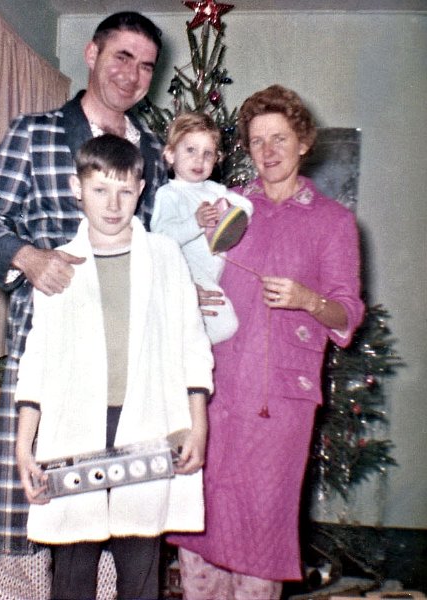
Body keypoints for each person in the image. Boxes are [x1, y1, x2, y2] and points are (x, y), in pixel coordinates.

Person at [0, 9, 168, 578]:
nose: (132, 74)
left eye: (146, 65)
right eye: (122, 56)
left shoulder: (152, 153)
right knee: (44, 512)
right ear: (92, 54)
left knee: (122, 520)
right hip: (51, 357)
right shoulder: (37, 132)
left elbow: (164, 250)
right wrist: (28, 258)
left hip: (129, 371)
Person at [168, 84, 366, 599]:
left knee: (261, 524)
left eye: (280, 138)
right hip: (212, 392)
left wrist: (307, 298)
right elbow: (171, 265)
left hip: (280, 404)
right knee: (203, 518)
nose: (269, 152)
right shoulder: (227, 207)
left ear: (303, 141)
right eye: (257, 141)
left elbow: (348, 311)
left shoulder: (333, 222)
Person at [14, 134, 213, 600]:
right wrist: (26, 447)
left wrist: (196, 427)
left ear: (141, 189)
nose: (112, 203)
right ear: (76, 187)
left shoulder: (165, 257)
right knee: (72, 568)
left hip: (147, 425)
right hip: (76, 430)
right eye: (100, 189)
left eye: (125, 190)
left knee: (141, 565)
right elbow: (37, 360)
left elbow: (192, 344)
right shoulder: (60, 265)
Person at [150, 112, 253, 344]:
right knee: (226, 325)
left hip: (212, 275)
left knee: (223, 323)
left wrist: (233, 216)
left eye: (208, 154)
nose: (199, 160)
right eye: (190, 150)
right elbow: (161, 237)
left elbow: (246, 205)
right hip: (187, 273)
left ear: (217, 159)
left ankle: (183, 343)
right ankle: (178, 345)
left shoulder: (214, 190)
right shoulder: (169, 194)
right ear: (169, 154)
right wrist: (195, 222)